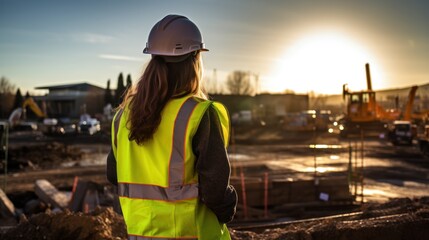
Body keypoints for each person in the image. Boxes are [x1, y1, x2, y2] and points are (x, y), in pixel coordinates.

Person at [106, 14, 237, 239]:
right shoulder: (199, 113)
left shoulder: (123, 116)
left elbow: (113, 174)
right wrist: (229, 204)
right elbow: (215, 191)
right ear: (195, 58)